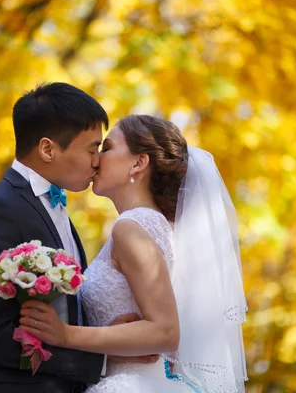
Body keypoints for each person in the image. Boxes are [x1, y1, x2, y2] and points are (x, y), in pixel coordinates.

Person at [20, 115, 248, 392]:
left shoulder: (130, 228)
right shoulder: (155, 226)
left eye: (107, 148)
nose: (96, 159)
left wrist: (67, 334)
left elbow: (165, 332)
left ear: (138, 163)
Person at [0, 83, 156, 393]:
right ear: (47, 149)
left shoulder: (56, 209)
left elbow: (60, 316)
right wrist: (101, 358)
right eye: (92, 148)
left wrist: (101, 334)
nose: (97, 161)